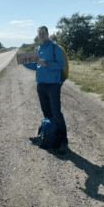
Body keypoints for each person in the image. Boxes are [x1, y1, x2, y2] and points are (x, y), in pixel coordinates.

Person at [23, 26, 69, 154]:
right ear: (38, 36)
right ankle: (50, 138)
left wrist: (47, 64)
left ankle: (63, 142)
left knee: (56, 113)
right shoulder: (37, 49)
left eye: (44, 33)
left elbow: (61, 64)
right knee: (47, 113)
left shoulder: (55, 47)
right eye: (40, 34)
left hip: (53, 85)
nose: (42, 35)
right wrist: (24, 61)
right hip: (41, 85)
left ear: (48, 34)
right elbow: (36, 66)